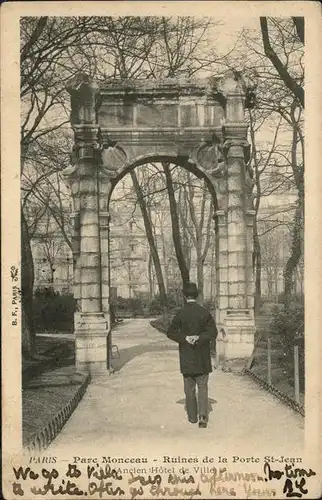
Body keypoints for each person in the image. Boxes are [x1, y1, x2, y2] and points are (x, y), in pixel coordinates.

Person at [167, 282, 217, 428]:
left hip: (187, 356)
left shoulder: (181, 313)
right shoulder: (204, 312)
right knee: (202, 386)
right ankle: (203, 416)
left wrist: (185, 338)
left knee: (189, 388)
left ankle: (192, 417)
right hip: (202, 357)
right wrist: (199, 338)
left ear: (184, 296)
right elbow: (213, 332)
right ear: (197, 295)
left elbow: (170, 332)